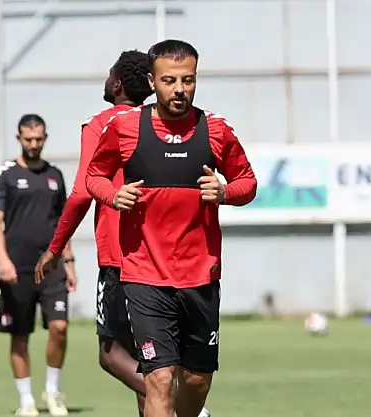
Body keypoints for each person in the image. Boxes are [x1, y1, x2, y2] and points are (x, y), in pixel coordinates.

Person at [86, 39, 257, 417]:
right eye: (169, 80)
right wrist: (114, 195)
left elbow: (248, 182)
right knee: (159, 379)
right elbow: (94, 176)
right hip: (145, 276)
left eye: (187, 80)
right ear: (152, 81)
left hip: (200, 276)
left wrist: (224, 192)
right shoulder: (125, 127)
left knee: (196, 382)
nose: (179, 89)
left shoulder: (216, 129)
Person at [35, 50, 153, 416]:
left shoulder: (102, 123)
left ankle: (182, 406)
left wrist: (55, 248)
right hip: (159, 256)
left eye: (108, 75)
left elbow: (82, 192)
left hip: (120, 256)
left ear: (116, 84)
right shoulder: (159, 122)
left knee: (111, 353)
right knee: (144, 357)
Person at [0, 114, 77, 417]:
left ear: (45, 139)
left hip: (51, 267)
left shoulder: (55, 175)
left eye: (39, 139)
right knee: (20, 334)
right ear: (19, 139)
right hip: (17, 268)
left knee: (60, 327)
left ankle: (52, 391)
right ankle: (26, 399)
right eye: (28, 139)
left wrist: (70, 262)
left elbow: (64, 224)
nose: (34, 144)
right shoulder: (5, 175)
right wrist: (3, 259)